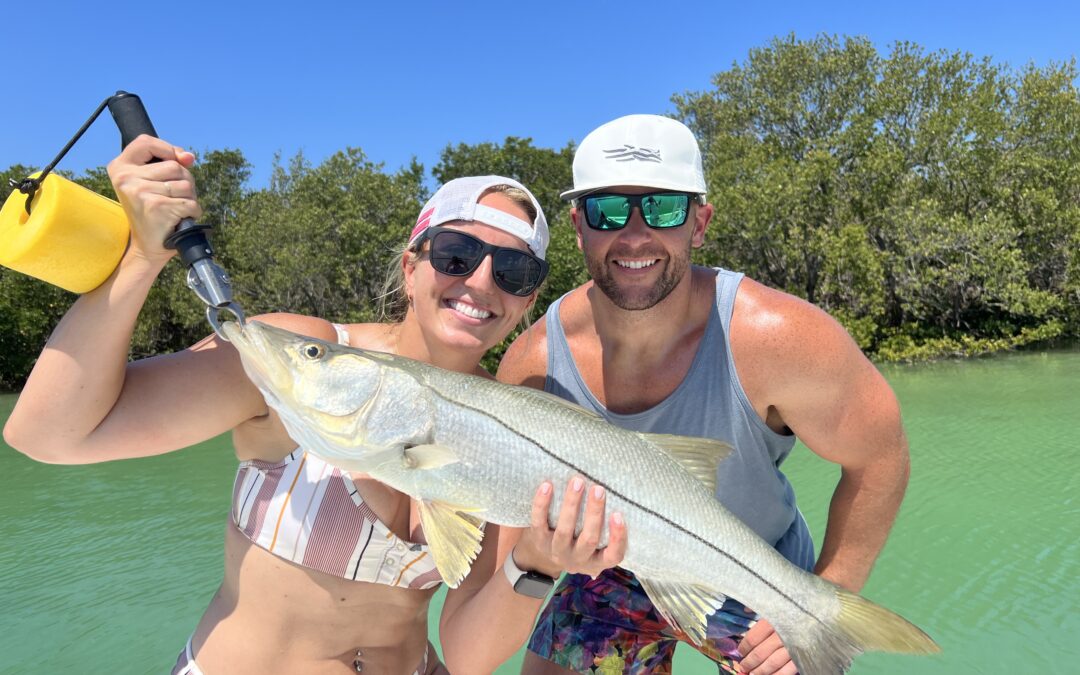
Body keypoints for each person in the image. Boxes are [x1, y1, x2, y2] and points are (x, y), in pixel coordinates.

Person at [2, 135, 623, 675]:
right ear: (411, 265)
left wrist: (535, 564)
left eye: (512, 271)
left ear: (526, 301)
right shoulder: (305, 357)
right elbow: (49, 435)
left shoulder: (515, 426)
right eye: (456, 254)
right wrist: (143, 256)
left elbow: (466, 653)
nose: (482, 281)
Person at [497, 114, 913, 675]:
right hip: (614, 574)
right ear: (578, 226)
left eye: (665, 207)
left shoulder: (778, 338)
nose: (635, 234)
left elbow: (881, 456)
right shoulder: (536, 365)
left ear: (699, 222)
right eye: (608, 209)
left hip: (756, 566)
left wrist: (824, 601)